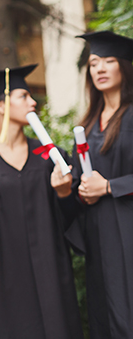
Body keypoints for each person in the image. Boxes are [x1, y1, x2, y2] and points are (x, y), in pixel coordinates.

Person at [0, 65, 82, 339]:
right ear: (0, 105)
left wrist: (63, 193)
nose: (33, 102)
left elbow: (72, 219)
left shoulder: (51, 157)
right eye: (24, 96)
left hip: (52, 276)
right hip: (2, 283)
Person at [67, 31, 133, 338]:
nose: (100, 69)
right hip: (98, 236)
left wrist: (108, 187)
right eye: (94, 63)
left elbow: (103, 184)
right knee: (103, 316)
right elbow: (81, 183)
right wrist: (72, 188)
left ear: (125, 66)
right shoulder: (88, 124)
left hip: (128, 230)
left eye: (109, 61)